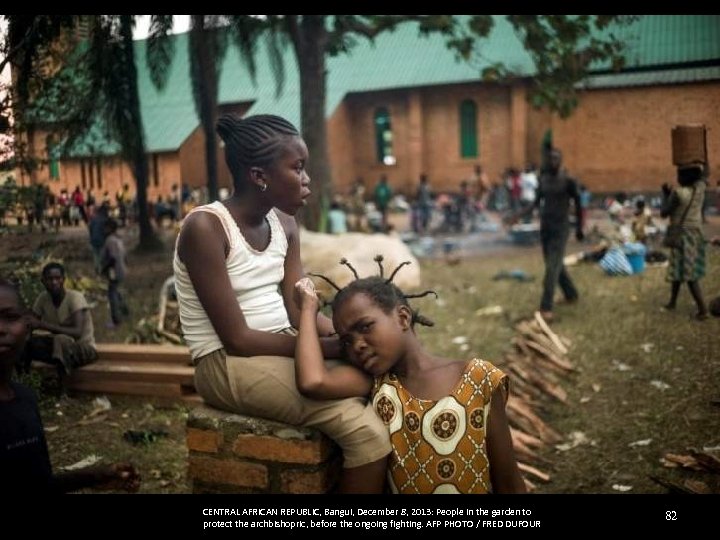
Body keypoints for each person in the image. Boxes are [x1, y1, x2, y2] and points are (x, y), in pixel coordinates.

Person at [173, 113, 391, 493]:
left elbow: (299, 309)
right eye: (298, 168)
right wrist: (326, 347)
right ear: (260, 176)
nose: (307, 178)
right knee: (366, 432)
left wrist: (352, 335)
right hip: (225, 363)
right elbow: (238, 338)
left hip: (285, 341)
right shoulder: (205, 228)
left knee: (381, 376)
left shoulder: (284, 224)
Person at [293, 257, 526, 494]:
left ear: (403, 318)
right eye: (347, 341)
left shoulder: (480, 378)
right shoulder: (378, 385)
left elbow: (508, 479)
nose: (358, 346)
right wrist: (309, 309)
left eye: (365, 327)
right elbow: (313, 381)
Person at [0, 278, 141, 493]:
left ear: (26, 325)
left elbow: (37, 482)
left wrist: (95, 477)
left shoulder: (25, 400)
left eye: (10, 317)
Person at [519, 146, 583, 323]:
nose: (553, 161)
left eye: (556, 158)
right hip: (545, 228)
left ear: (560, 161)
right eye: (551, 159)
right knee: (554, 264)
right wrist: (517, 215)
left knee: (551, 269)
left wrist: (579, 227)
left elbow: (578, 204)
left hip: (561, 228)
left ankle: (546, 307)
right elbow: (535, 203)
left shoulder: (568, 180)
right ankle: (571, 294)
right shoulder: (544, 179)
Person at [18, 263, 98, 390]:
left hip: (84, 349)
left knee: (60, 340)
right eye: (50, 279)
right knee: (25, 341)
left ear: (63, 280)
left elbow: (77, 332)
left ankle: (64, 390)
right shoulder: (43, 298)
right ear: (43, 281)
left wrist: (43, 325)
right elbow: (32, 322)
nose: (54, 282)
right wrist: (26, 331)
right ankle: (23, 382)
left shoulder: (75, 298)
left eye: (58, 278)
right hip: (58, 349)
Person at [660, 164, 709, 320]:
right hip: (696, 235)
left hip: (682, 237)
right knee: (678, 270)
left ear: (682, 178)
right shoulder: (700, 189)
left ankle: (703, 310)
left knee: (689, 275)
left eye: (679, 175)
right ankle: (672, 302)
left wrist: (665, 194)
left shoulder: (678, 193)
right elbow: (703, 176)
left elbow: (664, 212)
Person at [100, 218, 130, 328]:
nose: (103, 230)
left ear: (110, 229)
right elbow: (125, 256)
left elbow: (112, 258)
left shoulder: (110, 240)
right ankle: (125, 312)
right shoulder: (118, 239)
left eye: (105, 228)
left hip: (113, 271)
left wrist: (104, 269)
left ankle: (115, 319)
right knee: (117, 292)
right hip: (121, 269)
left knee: (112, 294)